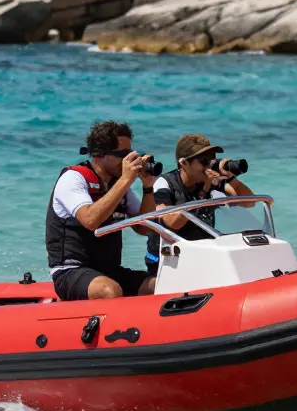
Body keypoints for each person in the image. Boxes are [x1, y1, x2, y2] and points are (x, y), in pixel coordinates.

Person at [46, 121, 159, 301]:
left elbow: (144, 228)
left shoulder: (119, 186)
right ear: (99, 154)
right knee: (109, 291)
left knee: (159, 285)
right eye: (123, 154)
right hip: (71, 271)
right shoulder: (73, 179)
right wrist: (126, 181)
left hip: (110, 271)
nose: (128, 160)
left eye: (130, 154)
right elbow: (90, 220)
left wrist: (148, 187)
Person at [144, 133, 255, 275]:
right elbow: (171, 222)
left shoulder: (210, 181)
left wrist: (230, 178)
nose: (209, 166)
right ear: (184, 163)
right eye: (204, 162)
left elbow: (250, 202)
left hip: (201, 254)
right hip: (169, 262)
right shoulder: (165, 183)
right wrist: (204, 191)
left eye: (212, 161)